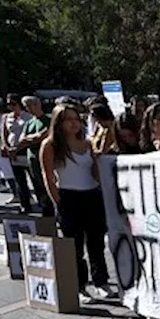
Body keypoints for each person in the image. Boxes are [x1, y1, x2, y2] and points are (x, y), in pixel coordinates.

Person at [40, 104, 111, 302]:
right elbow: (48, 177)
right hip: (68, 197)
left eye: (76, 118)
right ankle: (80, 286)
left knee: (96, 242)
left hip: (92, 196)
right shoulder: (51, 145)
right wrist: (58, 202)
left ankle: (101, 282)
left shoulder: (88, 143)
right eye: (68, 119)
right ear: (59, 123)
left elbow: (95, 172)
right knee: (75, 246)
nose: (74, 123)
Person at [17, 96, 54, 217]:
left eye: (29, 106)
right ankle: (45, 210)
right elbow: (21, 139)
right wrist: (33, 138)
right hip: (32, 158)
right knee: (37, 185)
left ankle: (53, 210)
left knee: (47, 183)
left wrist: (32, 138)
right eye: (26, 107)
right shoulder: (29, 122)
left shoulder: (48, 120)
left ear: (37, 105)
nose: (28, 109)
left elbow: (43, 136)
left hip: (45, 156)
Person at [2, 94, 35, 213]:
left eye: (13, 104)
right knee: (20, 181)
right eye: (9, 104)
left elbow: (29, 135)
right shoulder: (7, 117)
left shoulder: (28, 117)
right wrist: (7, 147)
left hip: (24, 150)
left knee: (34, 178)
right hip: (12, 152)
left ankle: (40, 202)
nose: (11, 107)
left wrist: (18, 148)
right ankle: (25, 205)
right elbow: (4, 133)